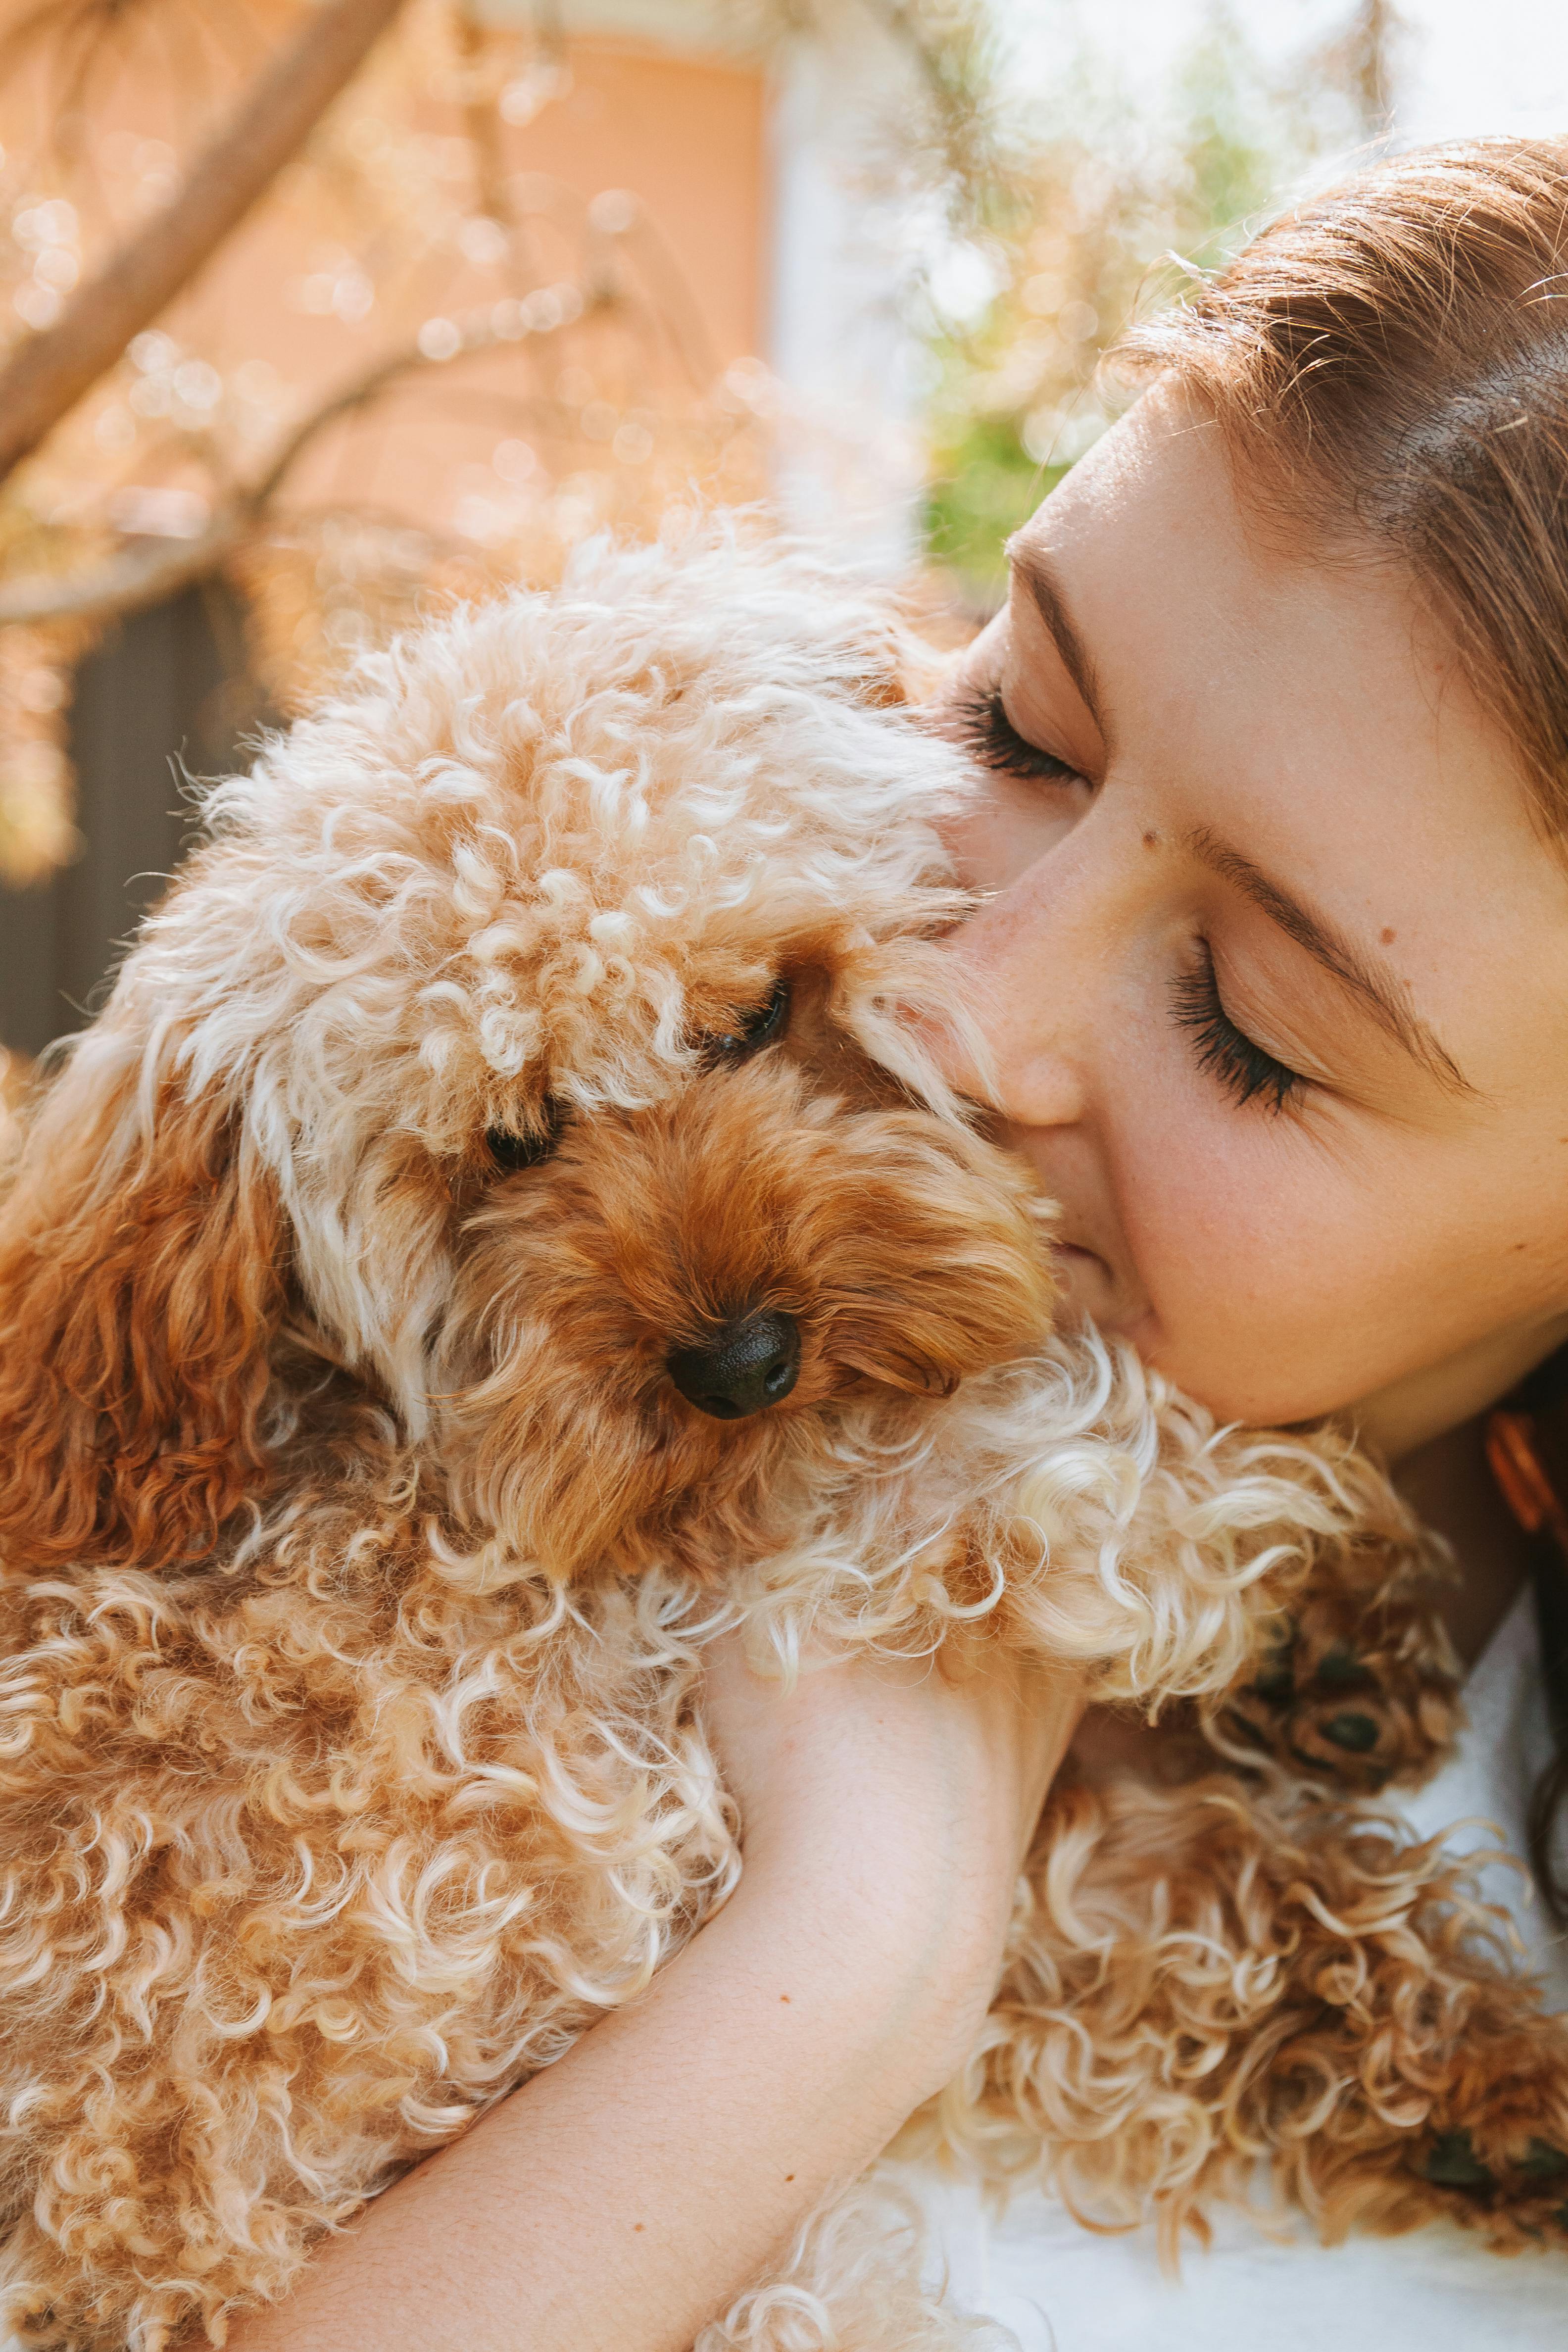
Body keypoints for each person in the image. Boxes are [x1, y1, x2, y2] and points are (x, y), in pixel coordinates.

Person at [226, 138, 1568, 2350]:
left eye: (1252, 1027)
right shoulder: (363, 1473)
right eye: (1012, 723)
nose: (957, 1003)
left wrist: (860, 1947)